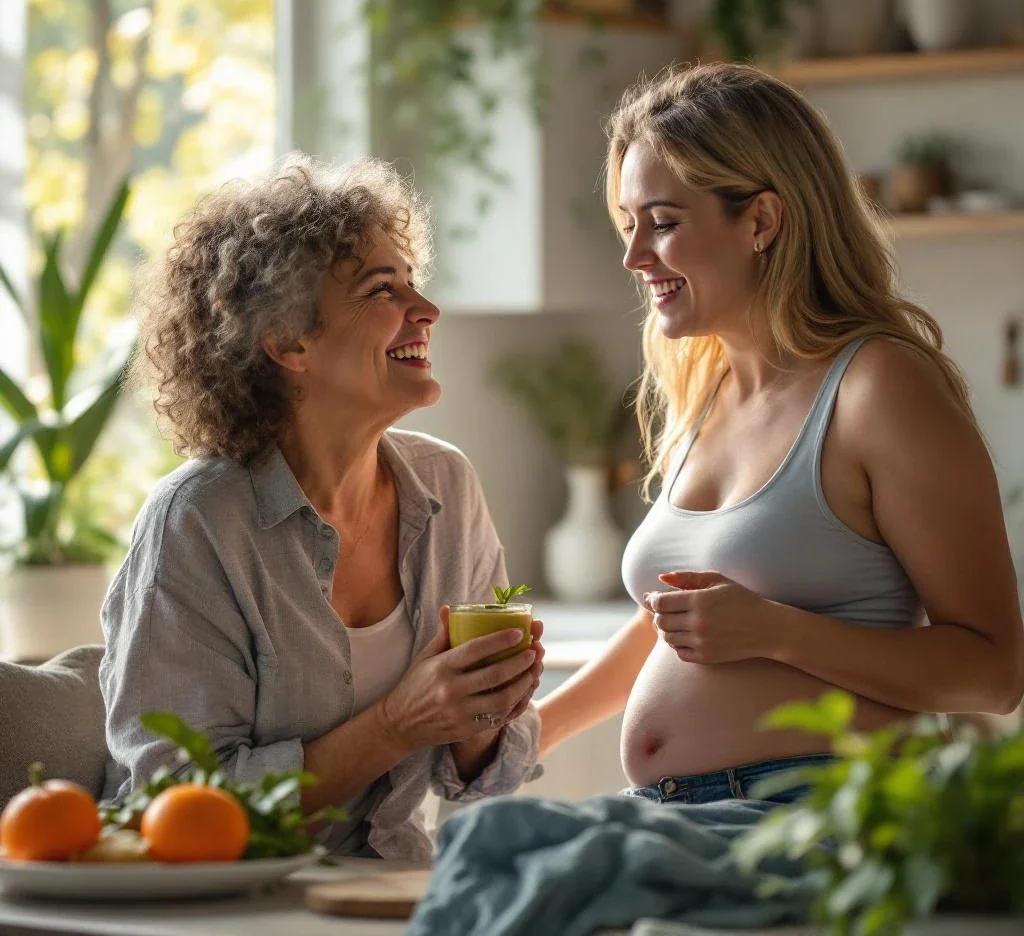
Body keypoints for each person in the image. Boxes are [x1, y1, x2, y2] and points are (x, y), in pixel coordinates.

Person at [537, 63, 1024, 807]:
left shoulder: (877, 389)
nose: (635, 258)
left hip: (808, 815)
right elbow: (678, 625)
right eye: (628, 225)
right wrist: (528, 735)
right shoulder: (706, 390)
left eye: (663, 224)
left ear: (761, 221)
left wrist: (774, 632)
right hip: (679, 813)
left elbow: (993, 673)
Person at [100, 154, 544, 860]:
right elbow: (178, 804)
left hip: (391, 893)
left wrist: (481, 710)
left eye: (413, 282)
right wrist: (398, 723)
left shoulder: (447, 485)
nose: (425, 311)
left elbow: (483, 777)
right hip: (238, 904)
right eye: (381, 289)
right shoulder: (197, 521)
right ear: (287, 341)